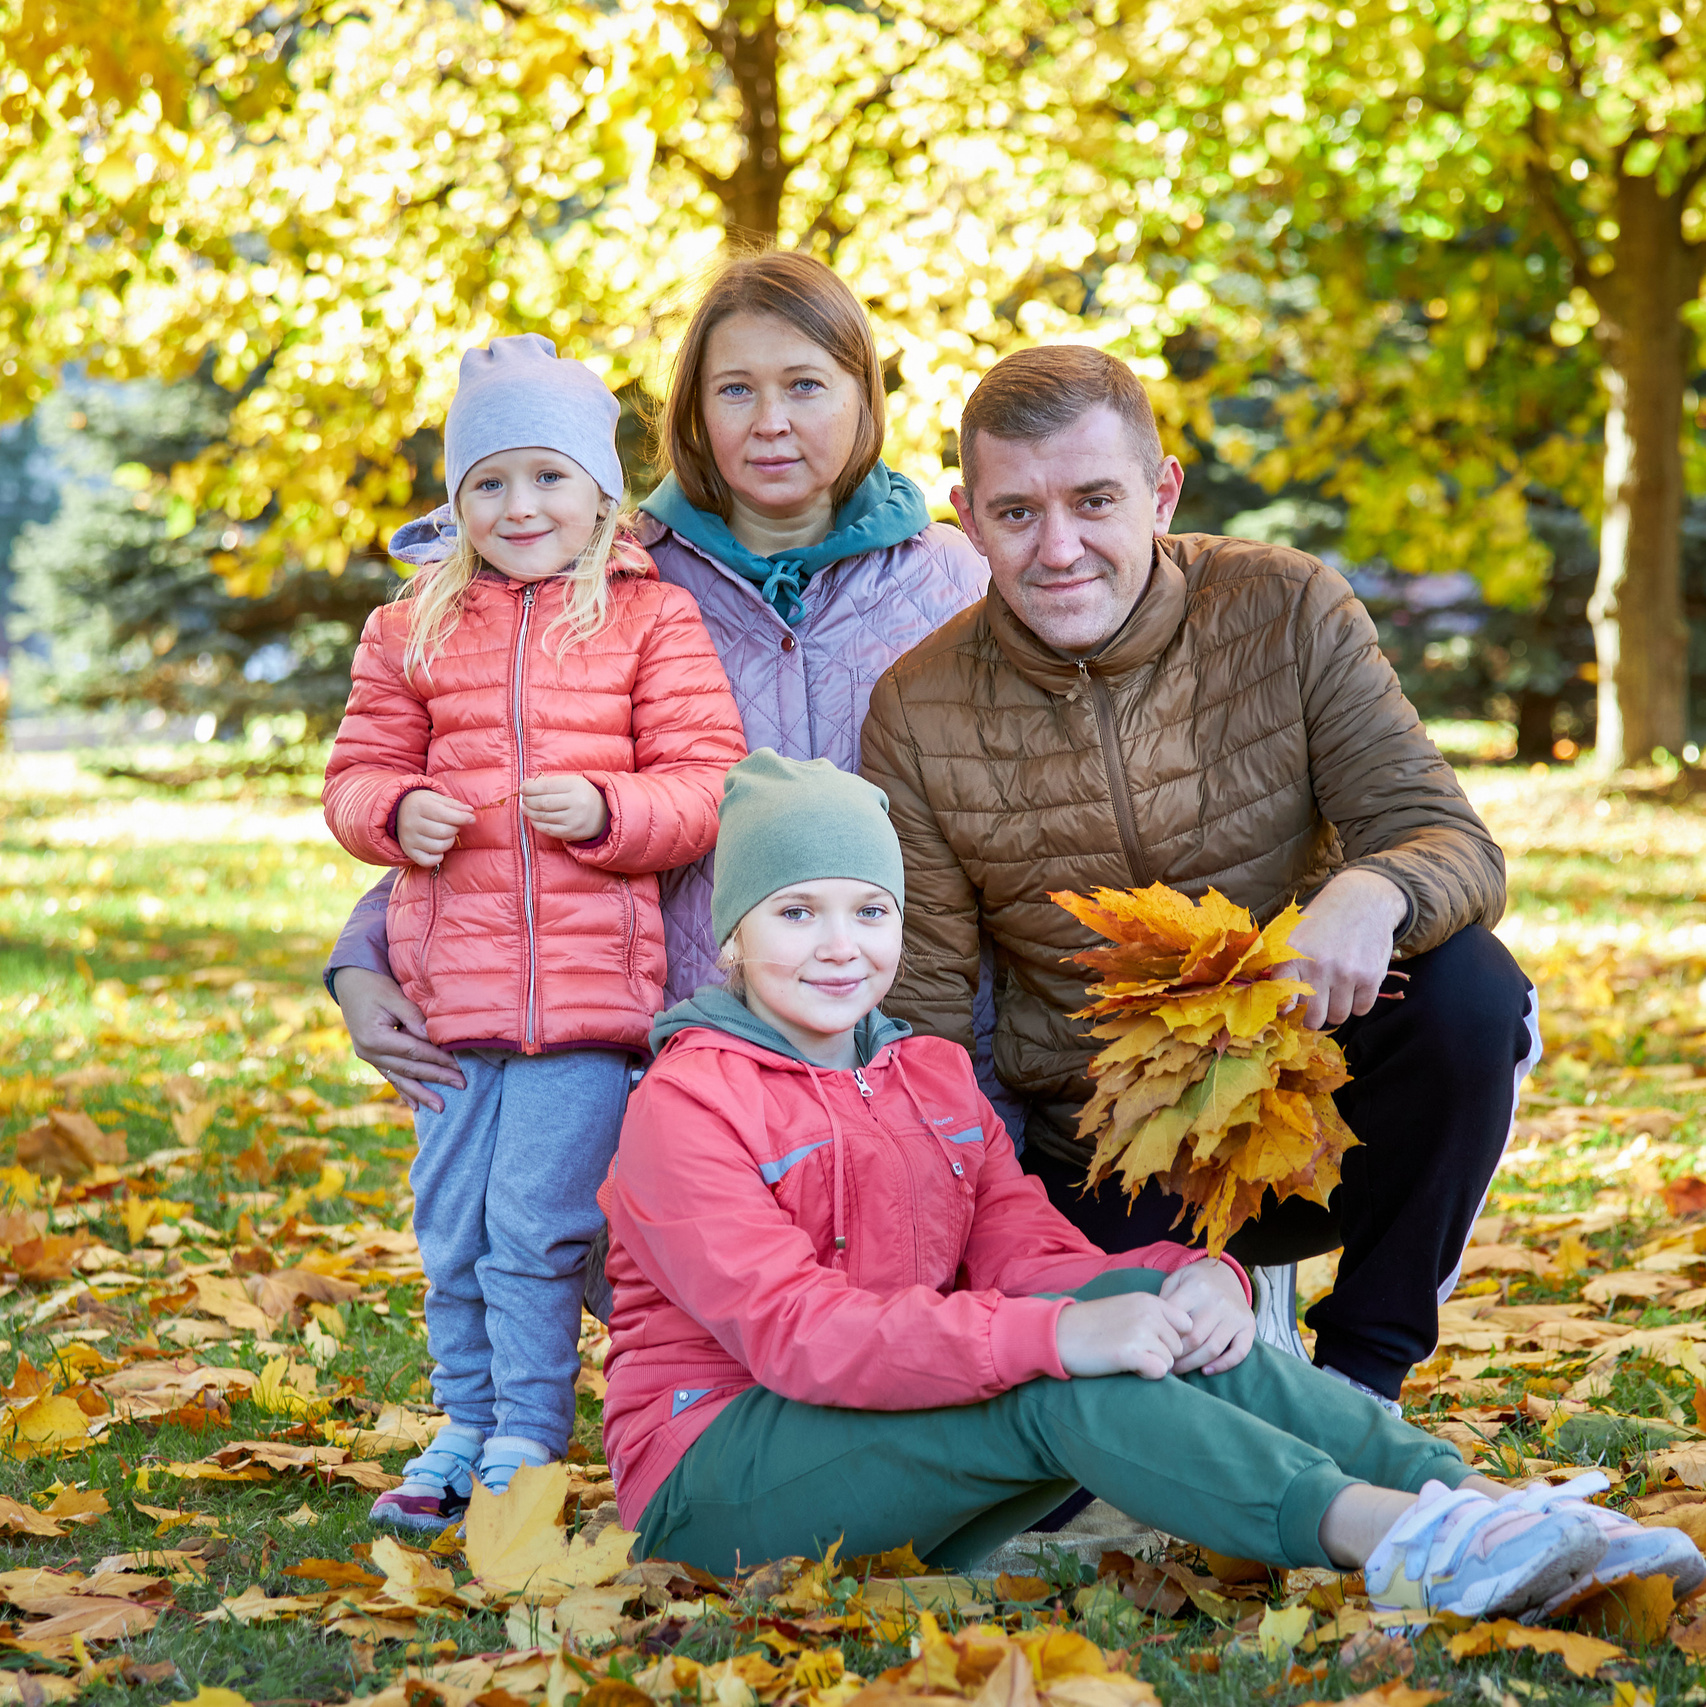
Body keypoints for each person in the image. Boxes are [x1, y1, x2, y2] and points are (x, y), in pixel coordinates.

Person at [600, 749, 1702, 1615]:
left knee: (1136, 1311)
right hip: (715, 1477)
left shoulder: (924, 1075)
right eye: (796, 913)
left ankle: (1473, 1502)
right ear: (732, 940)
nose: (840, 946)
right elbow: (797, 1335)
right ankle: (1398, 1541)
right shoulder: (687, 1103)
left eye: (869, 910)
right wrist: (1054, 1336)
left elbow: (1032, 1254)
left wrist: (1197, 1277)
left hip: (876, 1431)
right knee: (1056, 1371)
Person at [858, 344, 1543, 1418]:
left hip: (1318, 1089)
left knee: (1471, 991)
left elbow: (1447, 839)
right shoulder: (917, 706)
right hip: (1107, 1142)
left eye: (1095, 501)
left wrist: (1371, 891)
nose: (1058, 548)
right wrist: (959, 1234)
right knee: (1103, 1451)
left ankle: (1362, 1376)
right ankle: (1219, 1332)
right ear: (966, 518)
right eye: (1016, 513)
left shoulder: (1285, 606)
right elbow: (926, 1009)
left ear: (1162, 492)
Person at [322, 254, 991, 1119]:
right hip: (685, 1048)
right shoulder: (606, 579)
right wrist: (361, 958)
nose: (772, 422)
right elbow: (488, 772)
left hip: (915, 1040)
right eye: (735, 391)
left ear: (863, 394)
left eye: (805, 385)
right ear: (694, 413)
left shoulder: (954, 579)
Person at [321, 335, 746, 1528]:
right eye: (490, 481)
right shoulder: (409, 625)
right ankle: (461, 1419)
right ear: (455, 501)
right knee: (450, 1227)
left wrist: (611, 811)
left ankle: (524, 1436)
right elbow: (353, 777)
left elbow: (707, 781)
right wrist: (395, 812)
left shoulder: (647, 620)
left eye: (549, 476)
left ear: (600, 492)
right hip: (448, 1000)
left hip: (589, 1004)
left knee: (537, 1229)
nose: (520, 506)